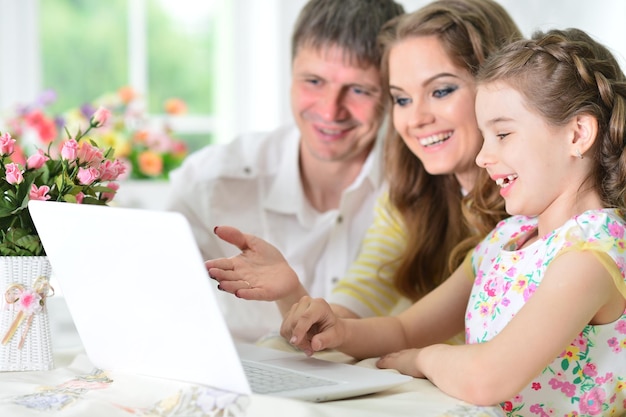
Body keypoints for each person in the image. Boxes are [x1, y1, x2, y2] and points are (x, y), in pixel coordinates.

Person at [282, 28, 626, 416]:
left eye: (503, 134)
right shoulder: (508, 238)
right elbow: (406, 330)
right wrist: (341, 331)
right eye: (483, 137)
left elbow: (487, 377)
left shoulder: (591, 255)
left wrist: (422, 360)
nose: (483, 157)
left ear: (578, 134)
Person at [206, 0, 519, 323]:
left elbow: (486, 353)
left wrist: (412, 358)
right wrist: (291, 293)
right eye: (402, 99)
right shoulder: (409, 197)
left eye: (441, 91)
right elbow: (354, 311)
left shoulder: (543, 205)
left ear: (500, 85)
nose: (416, 119)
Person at [165, 0, 405, 342]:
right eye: (314, 81)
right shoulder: (209, 184)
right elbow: (155, 313)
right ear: (291, 71)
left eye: (359, 90)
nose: (330, 109)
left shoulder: (415, 196)